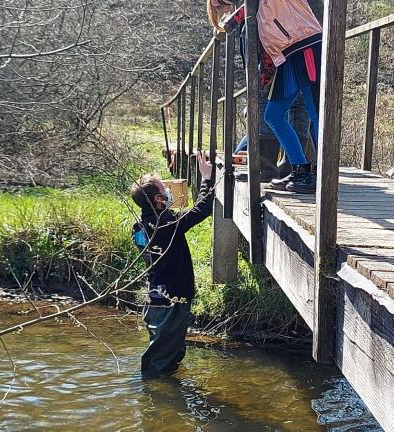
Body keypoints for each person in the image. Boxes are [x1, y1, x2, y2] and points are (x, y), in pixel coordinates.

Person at [222, 0, 323, 194]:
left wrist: (233, 20)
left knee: (315, 111)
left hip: (304, 44)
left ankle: (321, 175)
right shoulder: (258, 7)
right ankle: (300, 169)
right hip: (286, 55)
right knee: (273, 115)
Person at [130, 151, 214, 378]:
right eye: (163, 188)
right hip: (171, 301)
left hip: (156, 301)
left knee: (169, 354)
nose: (168, 190)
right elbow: (202, 210)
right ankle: (156, 400)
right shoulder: (165, 224)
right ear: (158, 200)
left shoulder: (140, 225)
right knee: (158, 365)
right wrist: (207, 179)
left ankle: (164, 395)